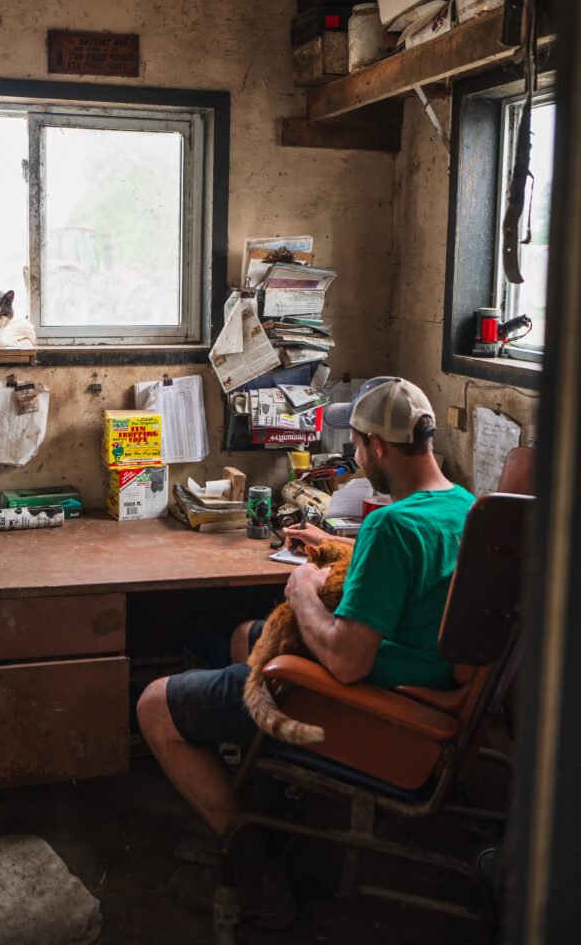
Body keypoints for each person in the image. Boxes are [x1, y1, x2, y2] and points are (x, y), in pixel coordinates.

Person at [136, 376, 475, 927]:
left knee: (155, 704)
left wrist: (300, 590)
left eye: (358, 445)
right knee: (245, 634)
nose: (357, 456)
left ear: (378, 448)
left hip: (371, 709)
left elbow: (346, 661)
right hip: (424, 686)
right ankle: (260, 813)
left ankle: (255, 874)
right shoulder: (463, 507)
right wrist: (338, 546)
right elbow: (412, 576)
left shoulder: (392, 525)